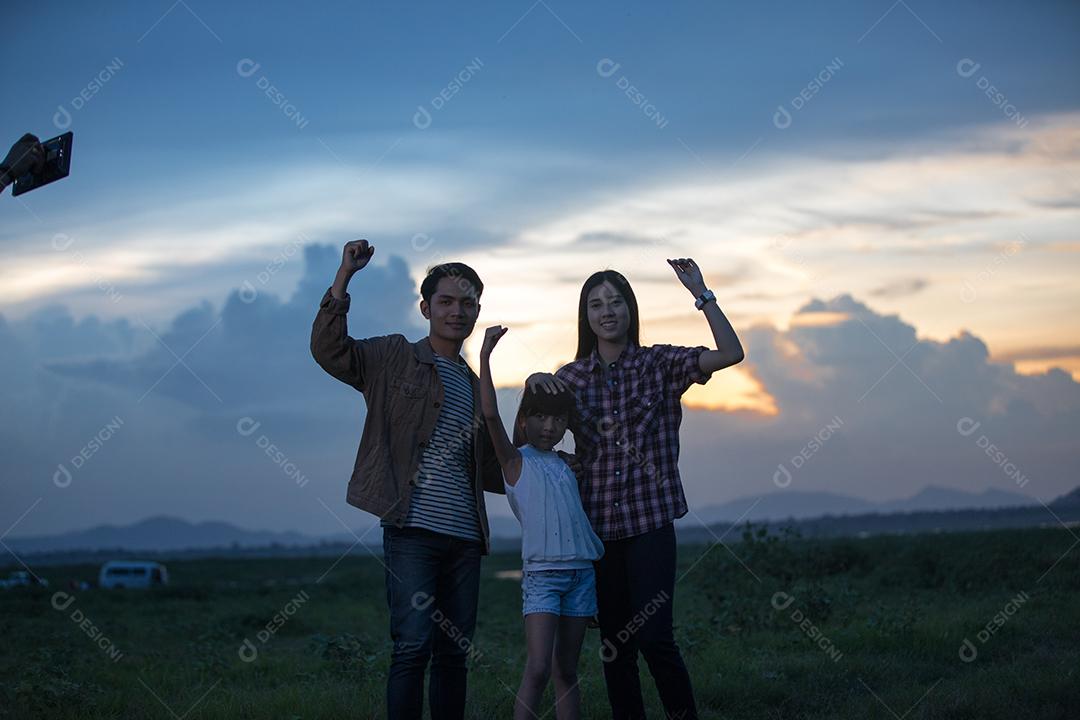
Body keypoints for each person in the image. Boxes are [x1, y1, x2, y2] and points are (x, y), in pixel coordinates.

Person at [527, 258, 744, 720]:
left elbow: (731, 354)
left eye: (616, 301)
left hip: (650, 525)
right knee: (614, 646)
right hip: (598, 531)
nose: (608, 311)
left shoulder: (659, 363)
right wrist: (532, 387)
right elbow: (530, 443)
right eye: (596, 304)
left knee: (656, 638)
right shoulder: (570, 378)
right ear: (585, 317)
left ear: (631, 309)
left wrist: (702, 294)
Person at [310, 239, 505, 720]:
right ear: (426, 307)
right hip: (412, 530)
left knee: (454, 654)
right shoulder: (394, 357)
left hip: (465, 537)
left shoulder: (475, 382)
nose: (457, 311)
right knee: (413, 647)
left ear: (477, 310)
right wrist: (344, 276)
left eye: (467, 303)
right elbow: (329, 350)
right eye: (446, 301)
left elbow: (497, 464)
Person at [477, 324, 604, 720]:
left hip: (581, 574)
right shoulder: (514, 462)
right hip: (543, 577)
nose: (549, 427)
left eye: (557, 419)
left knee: (567, 670)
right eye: (540, 417)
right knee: (538, 668)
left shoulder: (569, 464)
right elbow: (490, 413)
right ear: (524, 421)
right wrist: (485, 356)